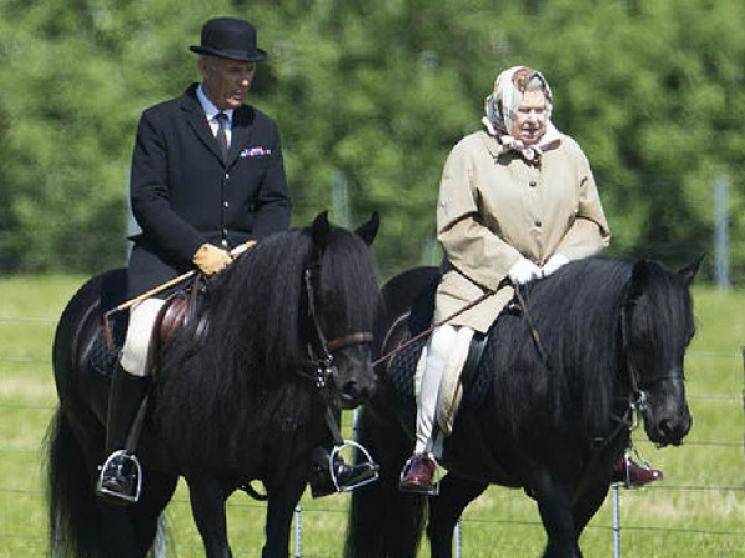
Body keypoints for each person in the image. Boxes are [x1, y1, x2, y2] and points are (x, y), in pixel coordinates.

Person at [97, 17, 372, 503]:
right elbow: (149, 200)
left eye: (248, 71)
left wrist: (256, 250)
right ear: (204, 66)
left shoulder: (263, 127)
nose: (243, 81)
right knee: (140, 339)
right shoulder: (160, 122)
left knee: (306, 334)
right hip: (171, 262)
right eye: (232, 70)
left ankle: (327, 453)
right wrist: (199, 251)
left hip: (249, 263)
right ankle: (122, 457)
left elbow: (276, 202)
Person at [398, 66, 661, 493]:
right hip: (481, 285)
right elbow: (456, 226)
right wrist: (509, 264)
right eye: (524, 110)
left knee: (605, 345)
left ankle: (617, 450)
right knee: (446, 346)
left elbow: (593, 223)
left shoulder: (570, 152)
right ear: (503, 109)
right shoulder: (469, 153)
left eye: (540, 109)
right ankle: (424, 450)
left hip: (560, 285)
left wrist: (562, 260)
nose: (533, 118)